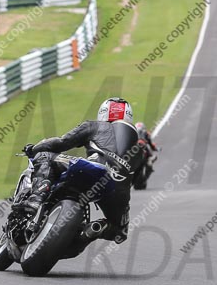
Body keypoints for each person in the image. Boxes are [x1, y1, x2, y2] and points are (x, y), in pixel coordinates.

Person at [21, 97, 141, 247]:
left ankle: (36, 198)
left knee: (44, 156)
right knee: (119, 231)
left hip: (92, 168)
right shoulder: (139, 149)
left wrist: (34, 149)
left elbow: (61, 142)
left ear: (103, 113)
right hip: (118, 190)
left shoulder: (93, 125)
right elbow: (137, 180)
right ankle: (92, 231)